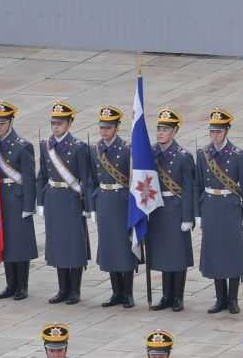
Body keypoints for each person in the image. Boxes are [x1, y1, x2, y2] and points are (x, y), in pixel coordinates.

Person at [197, 109, 243, 314]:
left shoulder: (238, 155)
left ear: (227, 131)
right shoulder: (203, 154)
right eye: (212, 131)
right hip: (211, 207)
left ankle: (233, 299)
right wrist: (198, 211)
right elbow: (198, 184)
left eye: (219, 132)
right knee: (215, 253)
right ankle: (220, 298)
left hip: (230, 209)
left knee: (232, 253)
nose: (215, 135)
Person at [39, 101, 93, 305]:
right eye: (53, 123)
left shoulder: (79, 147)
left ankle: (75, 290)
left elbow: (86, 179)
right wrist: (40, 201)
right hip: (53, 198)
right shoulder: (46, 145)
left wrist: (88, 206)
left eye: (60, 123)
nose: (56, 127)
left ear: (69, 123)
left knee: (74, 245)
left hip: (72, 199)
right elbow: (42, 175)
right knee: (58, 244)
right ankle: (62, 288)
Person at [147, 108, 195, 310]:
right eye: (159, 129)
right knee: (164, 254)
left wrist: (187, 217)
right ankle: (166, 295)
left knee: (178, 254)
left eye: (165, 129)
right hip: (158, 209)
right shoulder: (151, 153)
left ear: (174, 132)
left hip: (175, 209)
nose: (160, 133)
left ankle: (178, 297)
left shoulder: (183, 157)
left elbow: (188, 189)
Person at [0, 101, 35, 299]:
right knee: (5, 240)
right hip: (1, 199)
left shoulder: (23, 146)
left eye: (2, 123)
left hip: (17, 197)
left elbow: (29, 178)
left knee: (19, 243)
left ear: (11, 122)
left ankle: (22, 285)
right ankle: (10, 283)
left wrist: (29, 205)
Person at [90, 105, 137, 306]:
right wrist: (92, 205)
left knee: (124, 247)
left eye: (108, 128)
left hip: (121, 201)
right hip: (104, 201)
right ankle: (116, 291)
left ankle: (128, 292)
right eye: (102, 128)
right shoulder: (94, 150)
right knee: (109, 246)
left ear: (116, 127)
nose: (104, 131)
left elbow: (134, 179)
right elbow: (91, 179)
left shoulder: (127, 149)